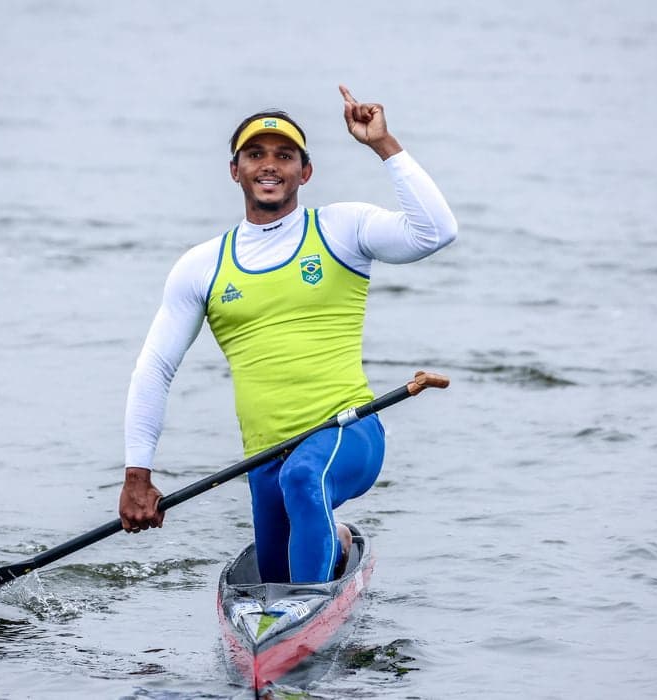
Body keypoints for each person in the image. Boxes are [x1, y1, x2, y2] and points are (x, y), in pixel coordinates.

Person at [118, 85, 457, 584]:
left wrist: (383, 145)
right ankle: (332, 546)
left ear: (306, 171)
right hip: (265, 456)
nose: (269, 165)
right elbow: (155, 368)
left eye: (285, 155)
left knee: (305, 477)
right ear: (236, 170)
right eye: (255, 154)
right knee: (276, 563)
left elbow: (436, 232)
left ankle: (307, 603)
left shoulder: (343, 229)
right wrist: (137, 476)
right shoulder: (202, 266)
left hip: (350, 431)